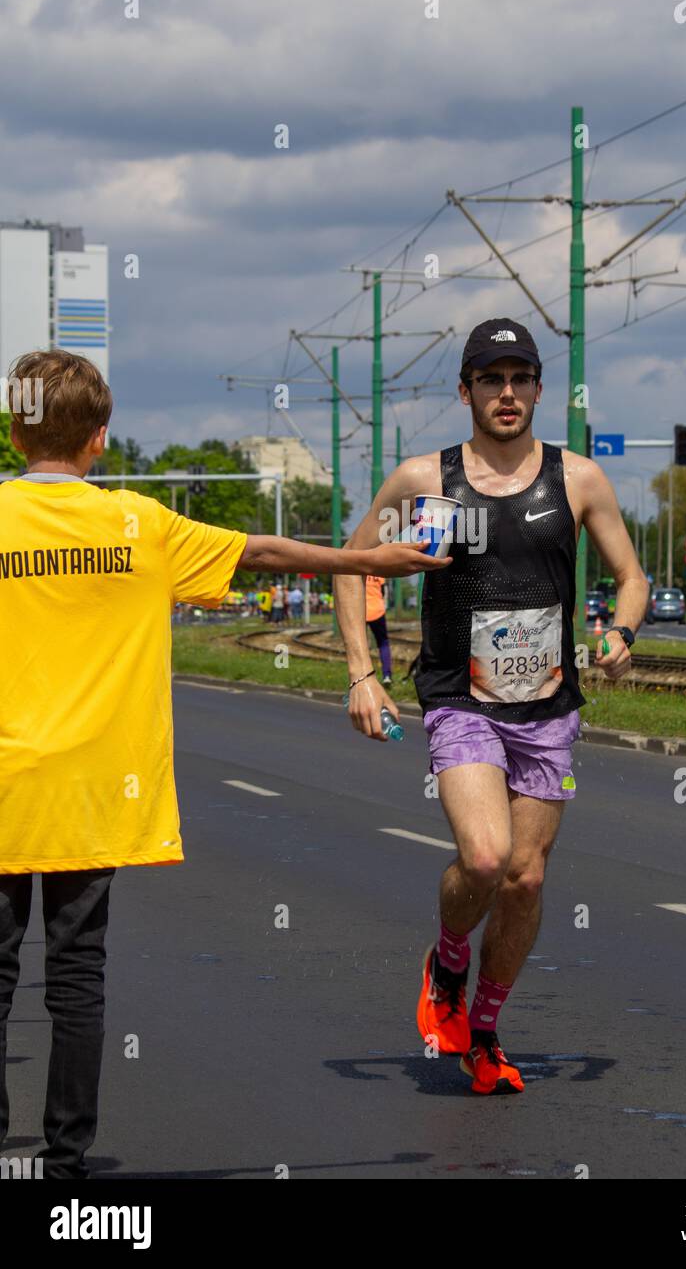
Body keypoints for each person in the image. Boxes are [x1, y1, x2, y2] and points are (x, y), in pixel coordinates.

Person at [0, 349, 449, 1179]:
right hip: (98, 788)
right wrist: (367, 562)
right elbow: (266, 555)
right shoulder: (140, 525)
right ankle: (64, 1161)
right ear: (100, 439)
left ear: (17, 428)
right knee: (76, 973)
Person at [336, 319, 647, 1095]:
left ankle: (485, 1031)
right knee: (486, 857)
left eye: (520, 379)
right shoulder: (426, 480)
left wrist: (622, 630)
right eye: (490, 379)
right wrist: (360, 673)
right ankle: (447, 959)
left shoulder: (578, 480)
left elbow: (631, 577)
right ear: (466, 390)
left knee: (526, 880)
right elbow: (350, 566)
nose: (506, 394)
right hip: (459, 700)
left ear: (540, 388)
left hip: (547, 709)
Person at [365, 575, 392, 686]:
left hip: (361, 611)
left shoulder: (356, 568)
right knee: (383, 643)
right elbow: (383, 591)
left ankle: (364, 677)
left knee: (361, 645)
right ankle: (386, 676)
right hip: (377, 611)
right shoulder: (377, 571)